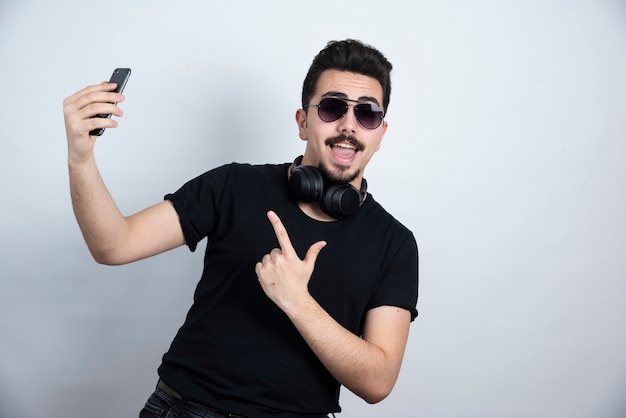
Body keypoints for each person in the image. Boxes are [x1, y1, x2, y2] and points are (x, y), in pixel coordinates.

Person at [63, 39, 418, 418]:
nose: (348, 125)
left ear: (380, 134)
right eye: (332, 108)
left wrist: (298, 302)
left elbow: (378, 382)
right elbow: (113, 246)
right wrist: (80, 158)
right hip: (185, 409)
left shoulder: (394, 243)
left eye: (366, 114)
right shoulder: (233, 185)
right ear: (302, 122)